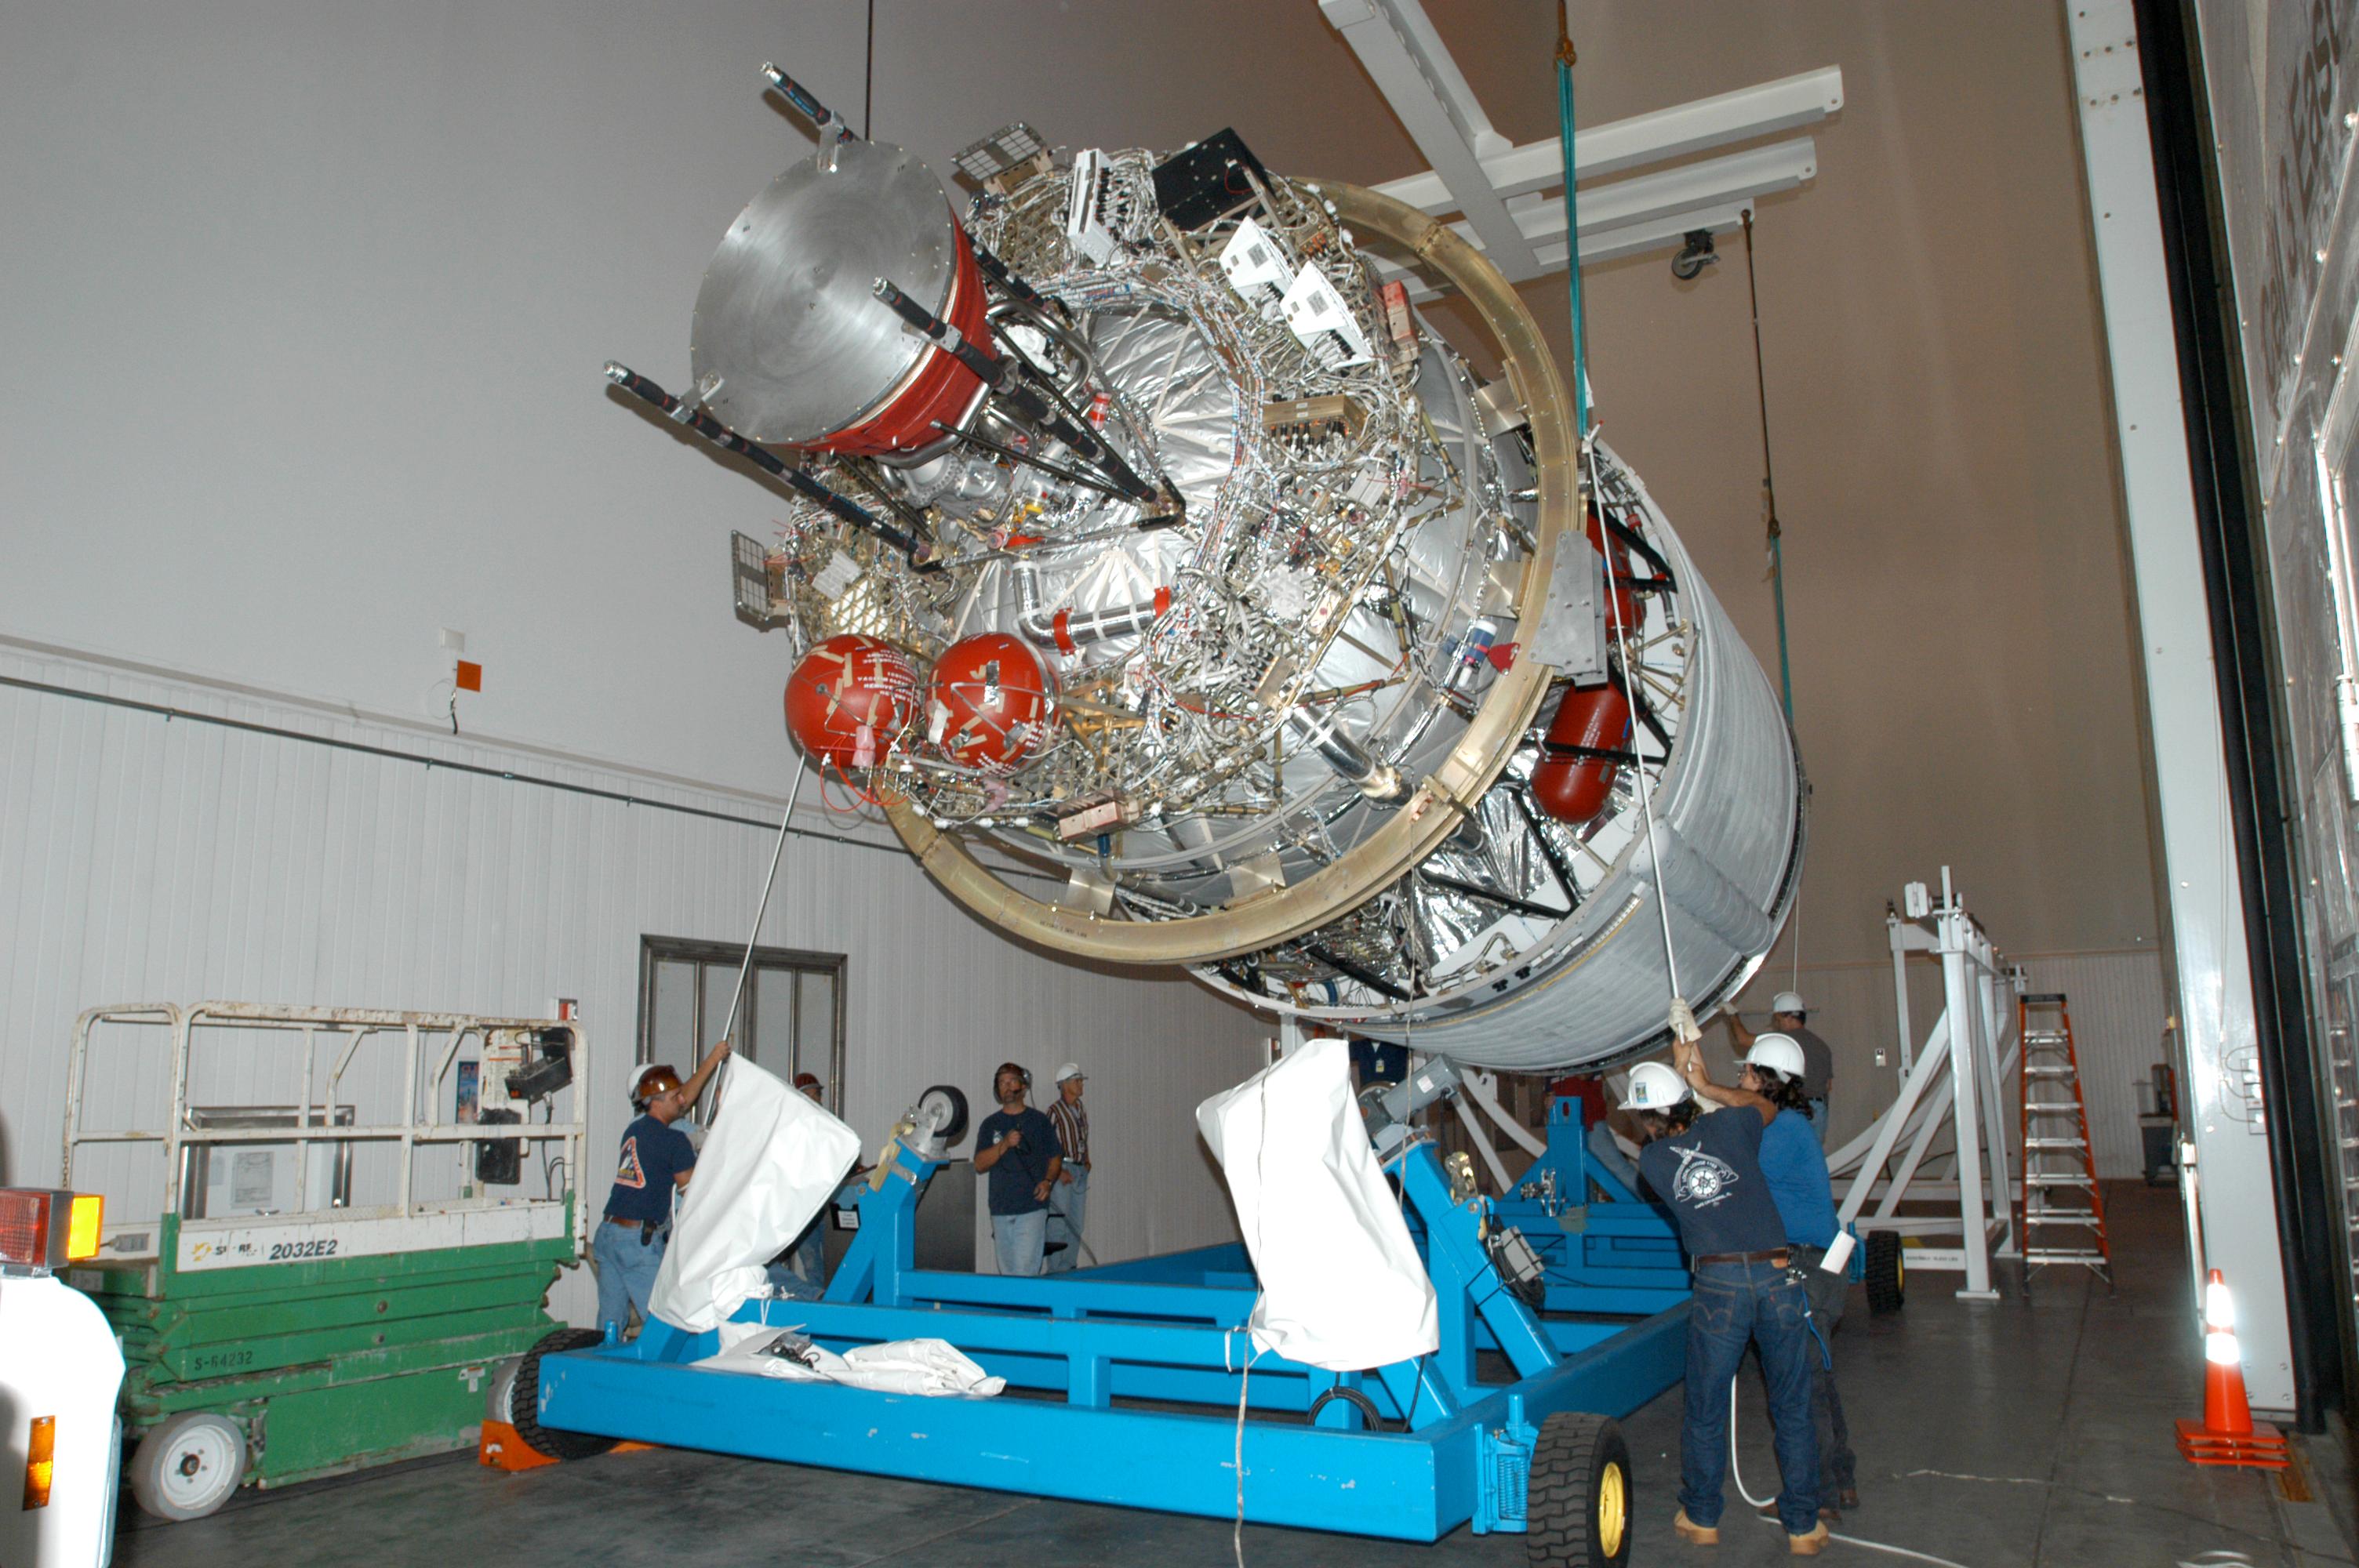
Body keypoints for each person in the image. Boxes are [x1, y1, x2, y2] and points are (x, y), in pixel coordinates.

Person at [1627, 1040, 1826, 1555]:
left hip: (1719, 1286)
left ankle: (1702, 1518)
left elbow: (1680, 1146)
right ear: (1686, 1102)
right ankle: (1804, 1527)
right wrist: (1706, 1083)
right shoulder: (1731, 1126)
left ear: (1647, 1118)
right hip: (1777, 1276)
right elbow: (1763, 1105)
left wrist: (1689, 1086)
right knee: (1792, 1406)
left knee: (1706, 1408)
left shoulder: (1651, 1163)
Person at [1687, 1033, 1859, 1520]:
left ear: (1765, 1081)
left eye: (1746, 1073)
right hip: (1813, 1264)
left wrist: (1703, 1090)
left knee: (1801, 1386)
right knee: (1815, 1379)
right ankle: (1839, 1481)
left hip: (1806, 1268)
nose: (1740, 1079)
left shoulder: (1782, 1131)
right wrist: (1691, 1059)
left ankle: (1820, 1497)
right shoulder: (1787, 1126)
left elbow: (1727, 1152)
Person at [594, 1038, 730, 1337]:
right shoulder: (674, 1141)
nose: (683, 1101)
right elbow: (692, 1194)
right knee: (663, 1325)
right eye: (675, 1097)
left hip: (608, 1234)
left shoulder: (633, 1130)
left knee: (610, 1322)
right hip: (636, 1242)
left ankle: (605, 1360)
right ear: (656, 1101)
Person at [972, 1062, 1062, 1276]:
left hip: (1032, 1206)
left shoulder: (1039, 1121)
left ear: (1023, 1085)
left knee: (1024, 1271)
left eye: (1012, 1081)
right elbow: (979, 1164)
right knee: (1008, 1273)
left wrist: (1048, 1182)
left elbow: (1056, 1157)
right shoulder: (990, 1124)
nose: (1007, 1086)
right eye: (1002, 1083)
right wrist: (1004, 1144)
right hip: (1001, 1208)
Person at [1730, 990, 1836, 1146]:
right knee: (1809, 1152)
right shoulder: (1822, 1046)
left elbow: (1743, 1039)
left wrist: (1732, 1016)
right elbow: (1828, 1085)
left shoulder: (1784, 1041)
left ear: (1789, 1017)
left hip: (1796, 1108)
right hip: (1819, 1109)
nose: (1777, 1024)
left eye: (1778, 1019)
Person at [765, 1072, 832, 1301]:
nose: (815, 1100)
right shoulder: (788, 1130)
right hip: (803, 1207)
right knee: (812, 1262)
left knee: (833, 1256)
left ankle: (827, 1300)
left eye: (817, 1095)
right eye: (809, 1095)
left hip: (825, 1204)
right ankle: (818, 1304)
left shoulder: (827, 1127)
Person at [1043, 1062, 1092, 1273]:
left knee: (1076, 1224)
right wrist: (1057, 1172)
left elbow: (1082, 1138)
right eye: (1077, 1081)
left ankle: (1069, 1266)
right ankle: (1055, 1270)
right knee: (1059, 1223)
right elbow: (1044, 1144)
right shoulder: (1054, 1112)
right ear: (1064, 1085)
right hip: (1063, 1169)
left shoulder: (1080, 1109)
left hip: (1079, 1170)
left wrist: (1086, 1159)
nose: (1081, 1084)